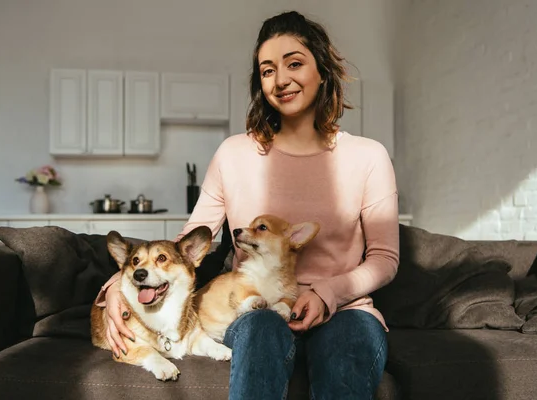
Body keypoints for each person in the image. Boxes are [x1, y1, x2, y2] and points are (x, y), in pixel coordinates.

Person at [95, 10, 399, 400]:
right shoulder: (234, 154)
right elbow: (184, 244)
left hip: (345, 310)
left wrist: (328, 293)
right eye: (268, 70)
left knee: (347, 354)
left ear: (322, 71)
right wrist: (117, 287)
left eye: (294, 63)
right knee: (260, 326)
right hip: (253, 308)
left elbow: (385, 258)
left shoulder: (368, 157)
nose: (282, 79)